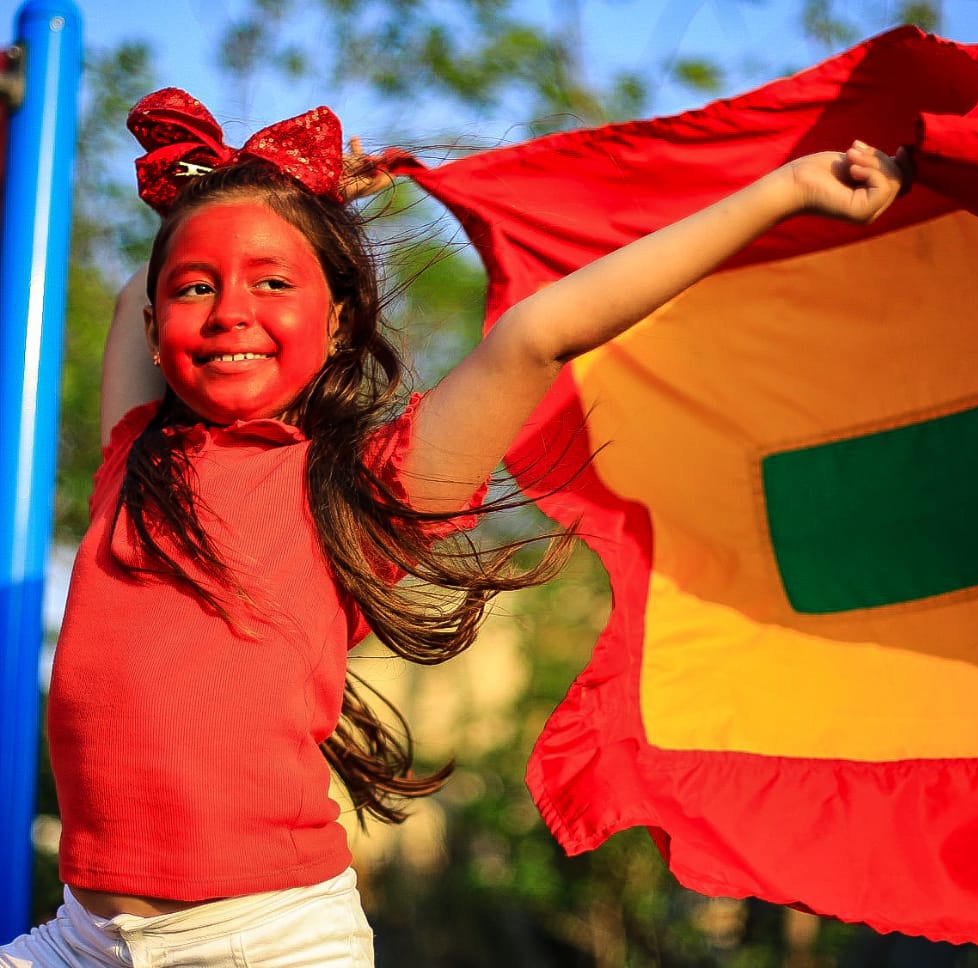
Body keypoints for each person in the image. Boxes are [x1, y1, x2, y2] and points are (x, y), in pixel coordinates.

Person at [0, 87, 905, 967]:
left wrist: (785, 191)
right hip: (85, 937)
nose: (232, 309)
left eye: (274, 280)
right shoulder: (136, 455)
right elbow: (136, 296)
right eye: (199, 288)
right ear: (160, 328)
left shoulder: (359, 489)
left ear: (340, 318)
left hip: (261, 942)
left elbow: (538, 335)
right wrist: (269, 196)